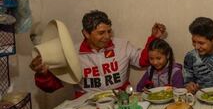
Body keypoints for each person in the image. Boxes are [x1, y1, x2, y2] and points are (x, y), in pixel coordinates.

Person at [30, 10, 166, 98]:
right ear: (86, 33)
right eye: (101, 33)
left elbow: (143, 60)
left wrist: (154, 38)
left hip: (121, 99)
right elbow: (52, 86)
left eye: (109, 31)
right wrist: (43, 73)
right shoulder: (71, 53)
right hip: (86, 105)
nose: (107, 36)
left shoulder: (122, 45)